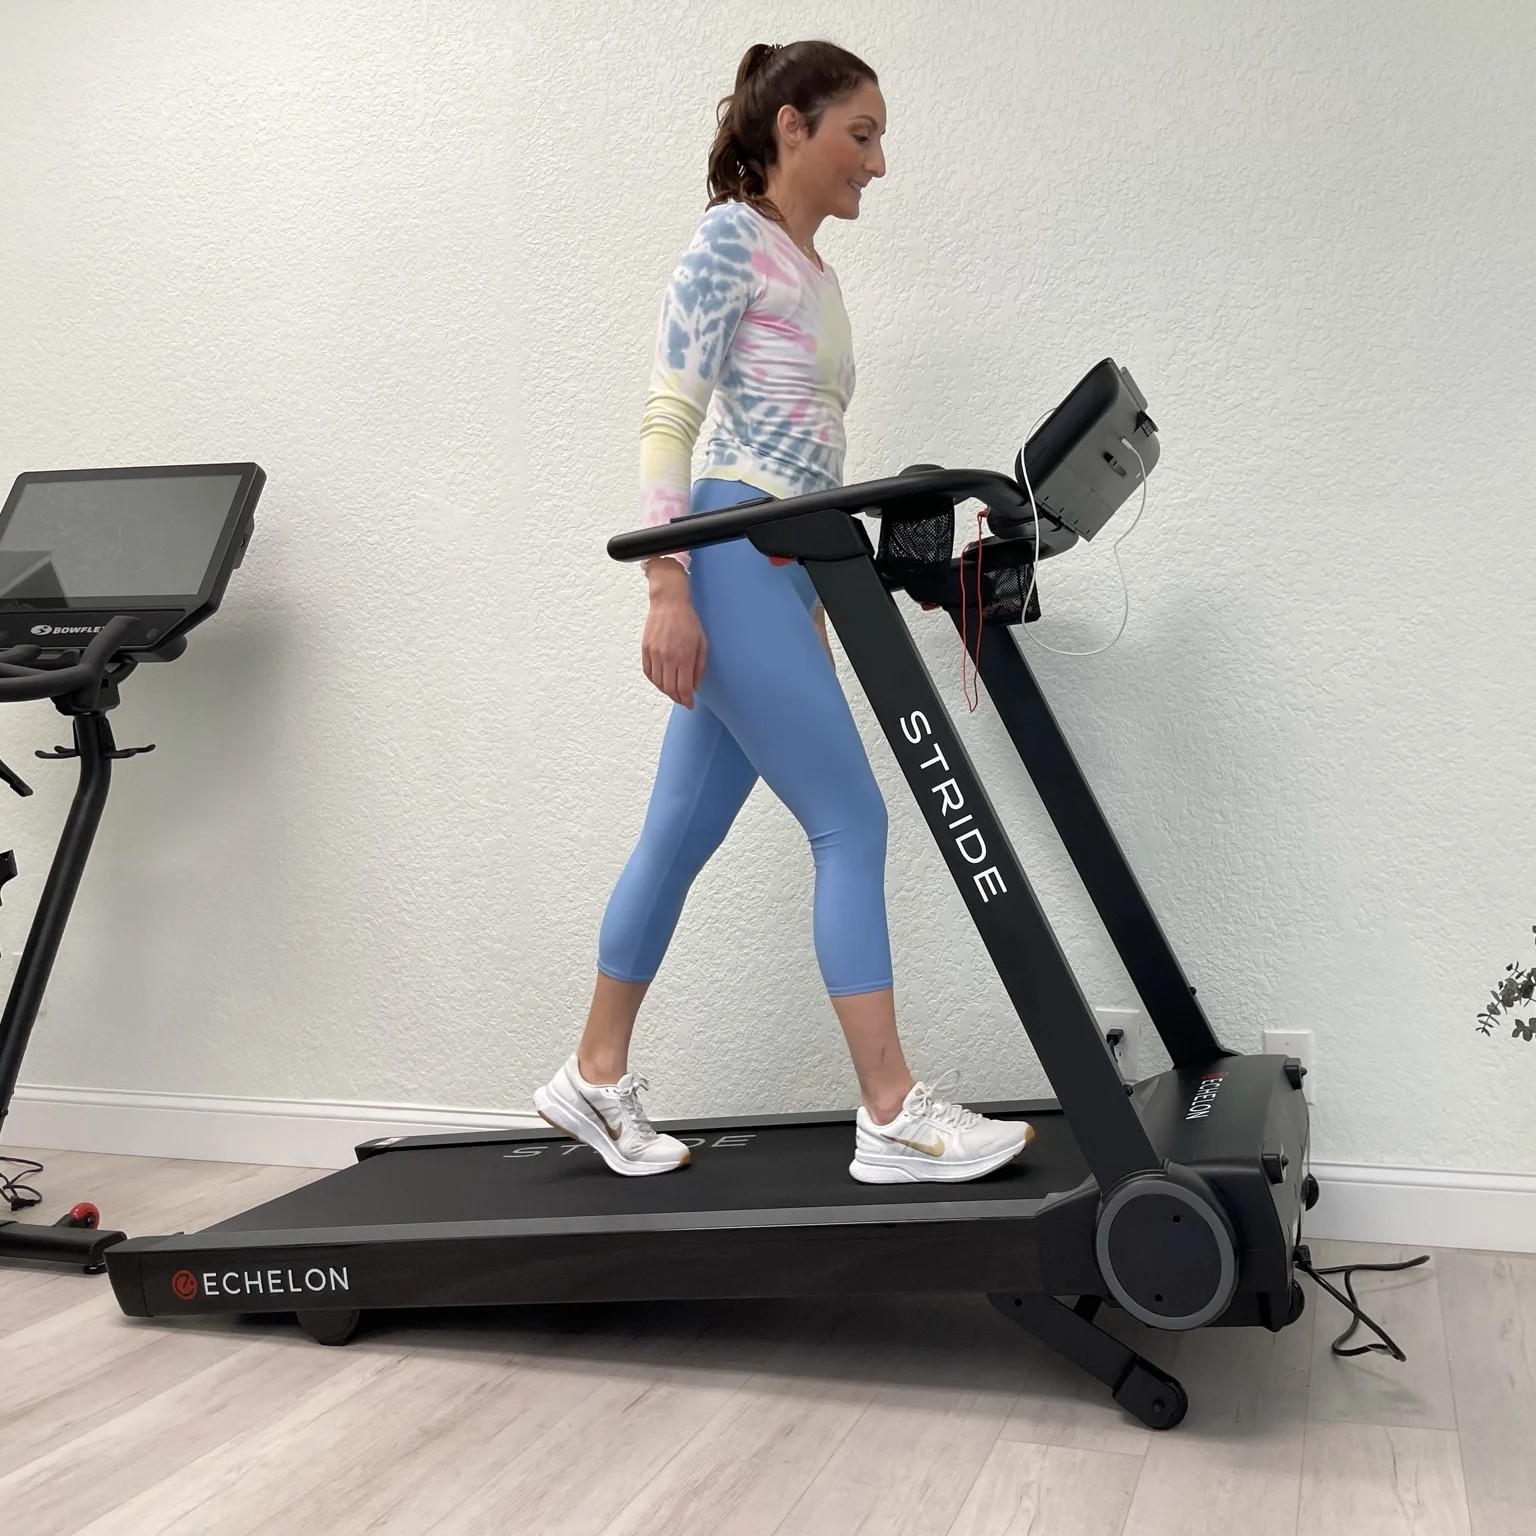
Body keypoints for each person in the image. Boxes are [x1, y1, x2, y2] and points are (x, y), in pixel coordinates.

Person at [535, 39, 1034, 1184]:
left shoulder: (816, 272)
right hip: (727, 546)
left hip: (783, 569)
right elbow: (672, 417)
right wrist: (668, 584)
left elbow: (808, 451)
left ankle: (594, 1075)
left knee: (680, 833)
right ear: (793, 127)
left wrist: (807, 605)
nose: (879, 162)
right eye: (862, 134)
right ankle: (892, 1110)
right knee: (852, 825)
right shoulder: (729, 240)